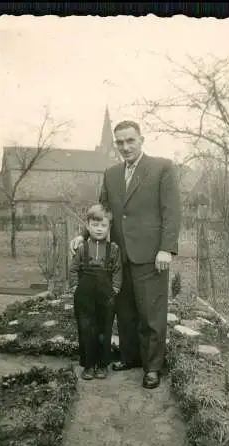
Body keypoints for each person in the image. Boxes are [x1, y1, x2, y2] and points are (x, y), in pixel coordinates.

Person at [71, 120, 181, 389]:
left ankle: (153, 367)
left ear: (141, 139)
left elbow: (171, 211)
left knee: (151, 314)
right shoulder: (111, 173)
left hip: (151, 254)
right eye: (119, 142)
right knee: (126, 311)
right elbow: (102, 212)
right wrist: (83, 236)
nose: (125, 146)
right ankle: (131, 358)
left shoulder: (162, 168)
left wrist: (166, 248)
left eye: (130, 140)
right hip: (119, 257)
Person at [69, 204, 122, 380]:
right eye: (95, 225)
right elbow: (73, 269)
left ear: (109, 227)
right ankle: (88, 365)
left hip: (105, 296)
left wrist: (114, 289)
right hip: (85, 295)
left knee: (104, 329)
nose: (99, 229)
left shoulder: (113, 249)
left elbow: (117, 270)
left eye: (103, 226)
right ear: (88, 225)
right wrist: (75, 287)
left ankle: (102, 365)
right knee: (86, 328)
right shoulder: (82, 248)